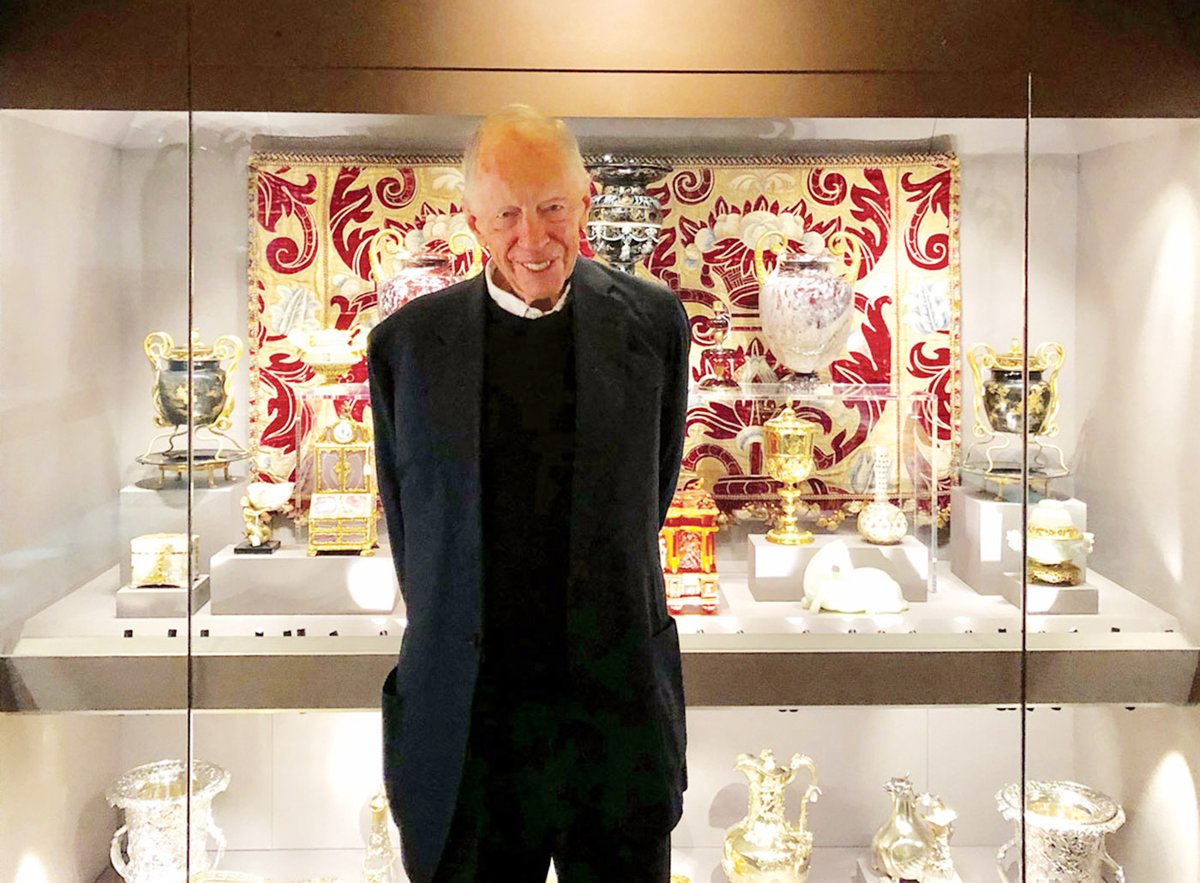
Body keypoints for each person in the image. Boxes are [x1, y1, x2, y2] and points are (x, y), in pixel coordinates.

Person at [367, 104, 691, 883]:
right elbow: (413, 536)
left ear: (584, 198)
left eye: (551, 208)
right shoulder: (405, 347)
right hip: (467, 739)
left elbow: (650, 496)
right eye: (507, 213)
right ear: (473, 219)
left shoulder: (655, 323)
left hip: (613, 723)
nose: (533, 238)